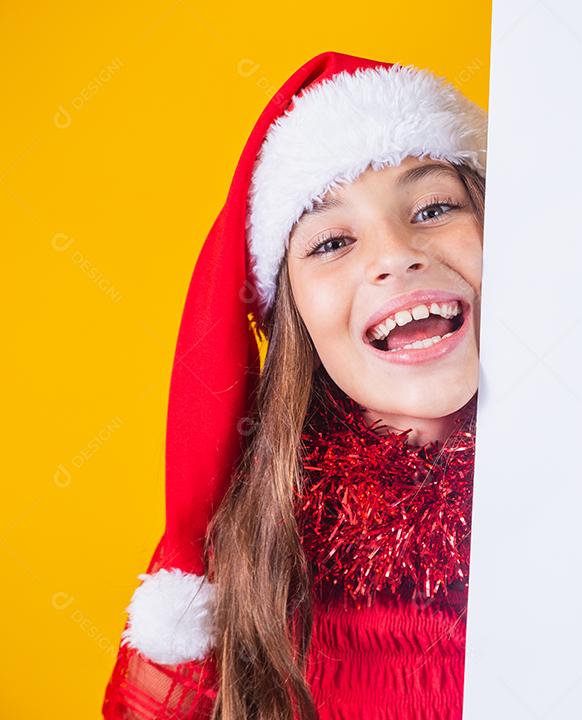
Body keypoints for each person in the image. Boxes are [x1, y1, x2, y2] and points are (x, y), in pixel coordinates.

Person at [101, 51, 487, 720]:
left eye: (432, 208)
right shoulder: (249, 556)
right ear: (293, 319)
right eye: (333, 242)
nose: (395, 254)